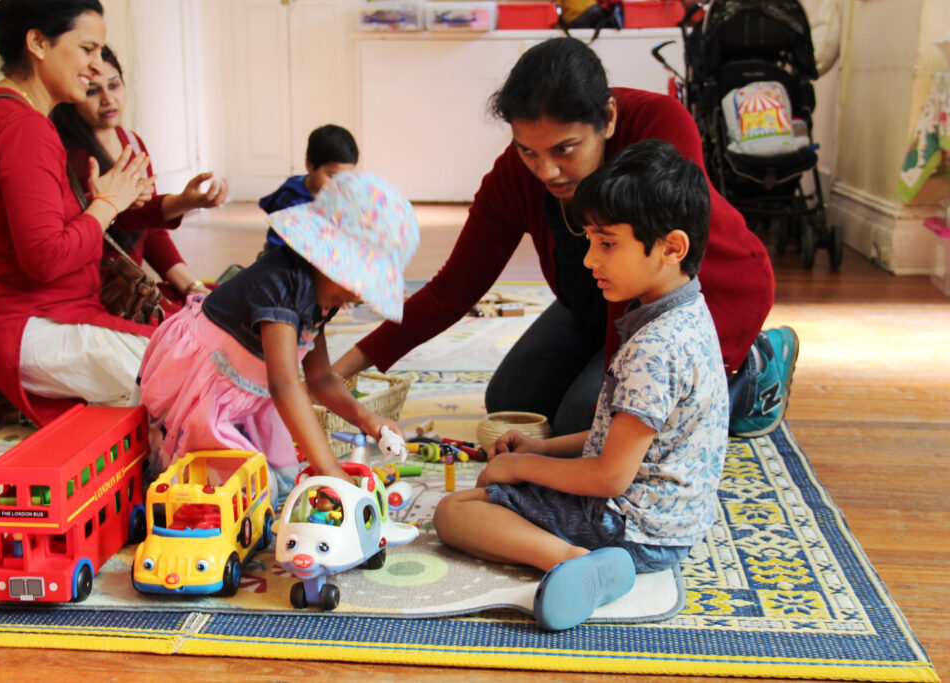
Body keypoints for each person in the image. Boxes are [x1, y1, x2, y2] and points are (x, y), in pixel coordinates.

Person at [333, 37, 797, 440]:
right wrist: (337, 373)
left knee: (585, 423)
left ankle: (754, 372)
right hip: (601, 299)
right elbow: (453, 288)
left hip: (697, 299)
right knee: (512, 403)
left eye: (565, 150)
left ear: (608, 119)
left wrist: (613, 407)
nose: (546, 170)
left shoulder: (660, 126)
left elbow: (647, 277)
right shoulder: (515, 176)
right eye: (528, 150)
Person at [433, 139, 730, 631]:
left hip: (632, 528)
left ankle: (572, 560)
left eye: (607, 243)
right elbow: (622, 441)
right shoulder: (688, 314)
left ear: (672, 247)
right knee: (506, 477)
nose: (590, 259)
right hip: (672, 523)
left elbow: (610, 477)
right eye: (590, 240)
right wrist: (539, 450)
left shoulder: (654, 347)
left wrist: (520, 464)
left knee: (456, 510)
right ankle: (584, 555)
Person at [136, 171, 418, 503]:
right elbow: (284, 384)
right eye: (355, 284)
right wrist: (330, 471)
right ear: (326, 257)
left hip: (245, 390)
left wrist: (367, 419)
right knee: (228, 491)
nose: (353, 299)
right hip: (204, 384)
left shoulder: (321, 293)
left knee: (276, 483)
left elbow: (320, 377)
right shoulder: (280, 284)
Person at [0, 0, 155, 428]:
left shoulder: (8, 114)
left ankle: (24, 397)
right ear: (38, 43)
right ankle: (24, 392)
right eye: (87, 50)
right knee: (191, 372)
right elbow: (44, 258)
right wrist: (106, 206)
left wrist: (99, 208)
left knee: (182, 352)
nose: (97, 67)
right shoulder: (23, 127)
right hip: (21, 325)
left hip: (30, 317)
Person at [50, 45, 228, 315]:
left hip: (132, 285)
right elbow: (120, 222)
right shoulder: (70, 159)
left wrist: (190, 286)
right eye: (93, 90)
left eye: (114, 85)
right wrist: (180, 202)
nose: (109, 99)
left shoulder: (131, 142)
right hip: (98, 296)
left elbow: (149, 231)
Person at [258, 124, 358, 251]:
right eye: (332, 176)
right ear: (309, 165)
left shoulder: (343, 195)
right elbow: (279, 246)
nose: (338, 183)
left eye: (346, 177)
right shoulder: (290, 200)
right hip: (289, 257)